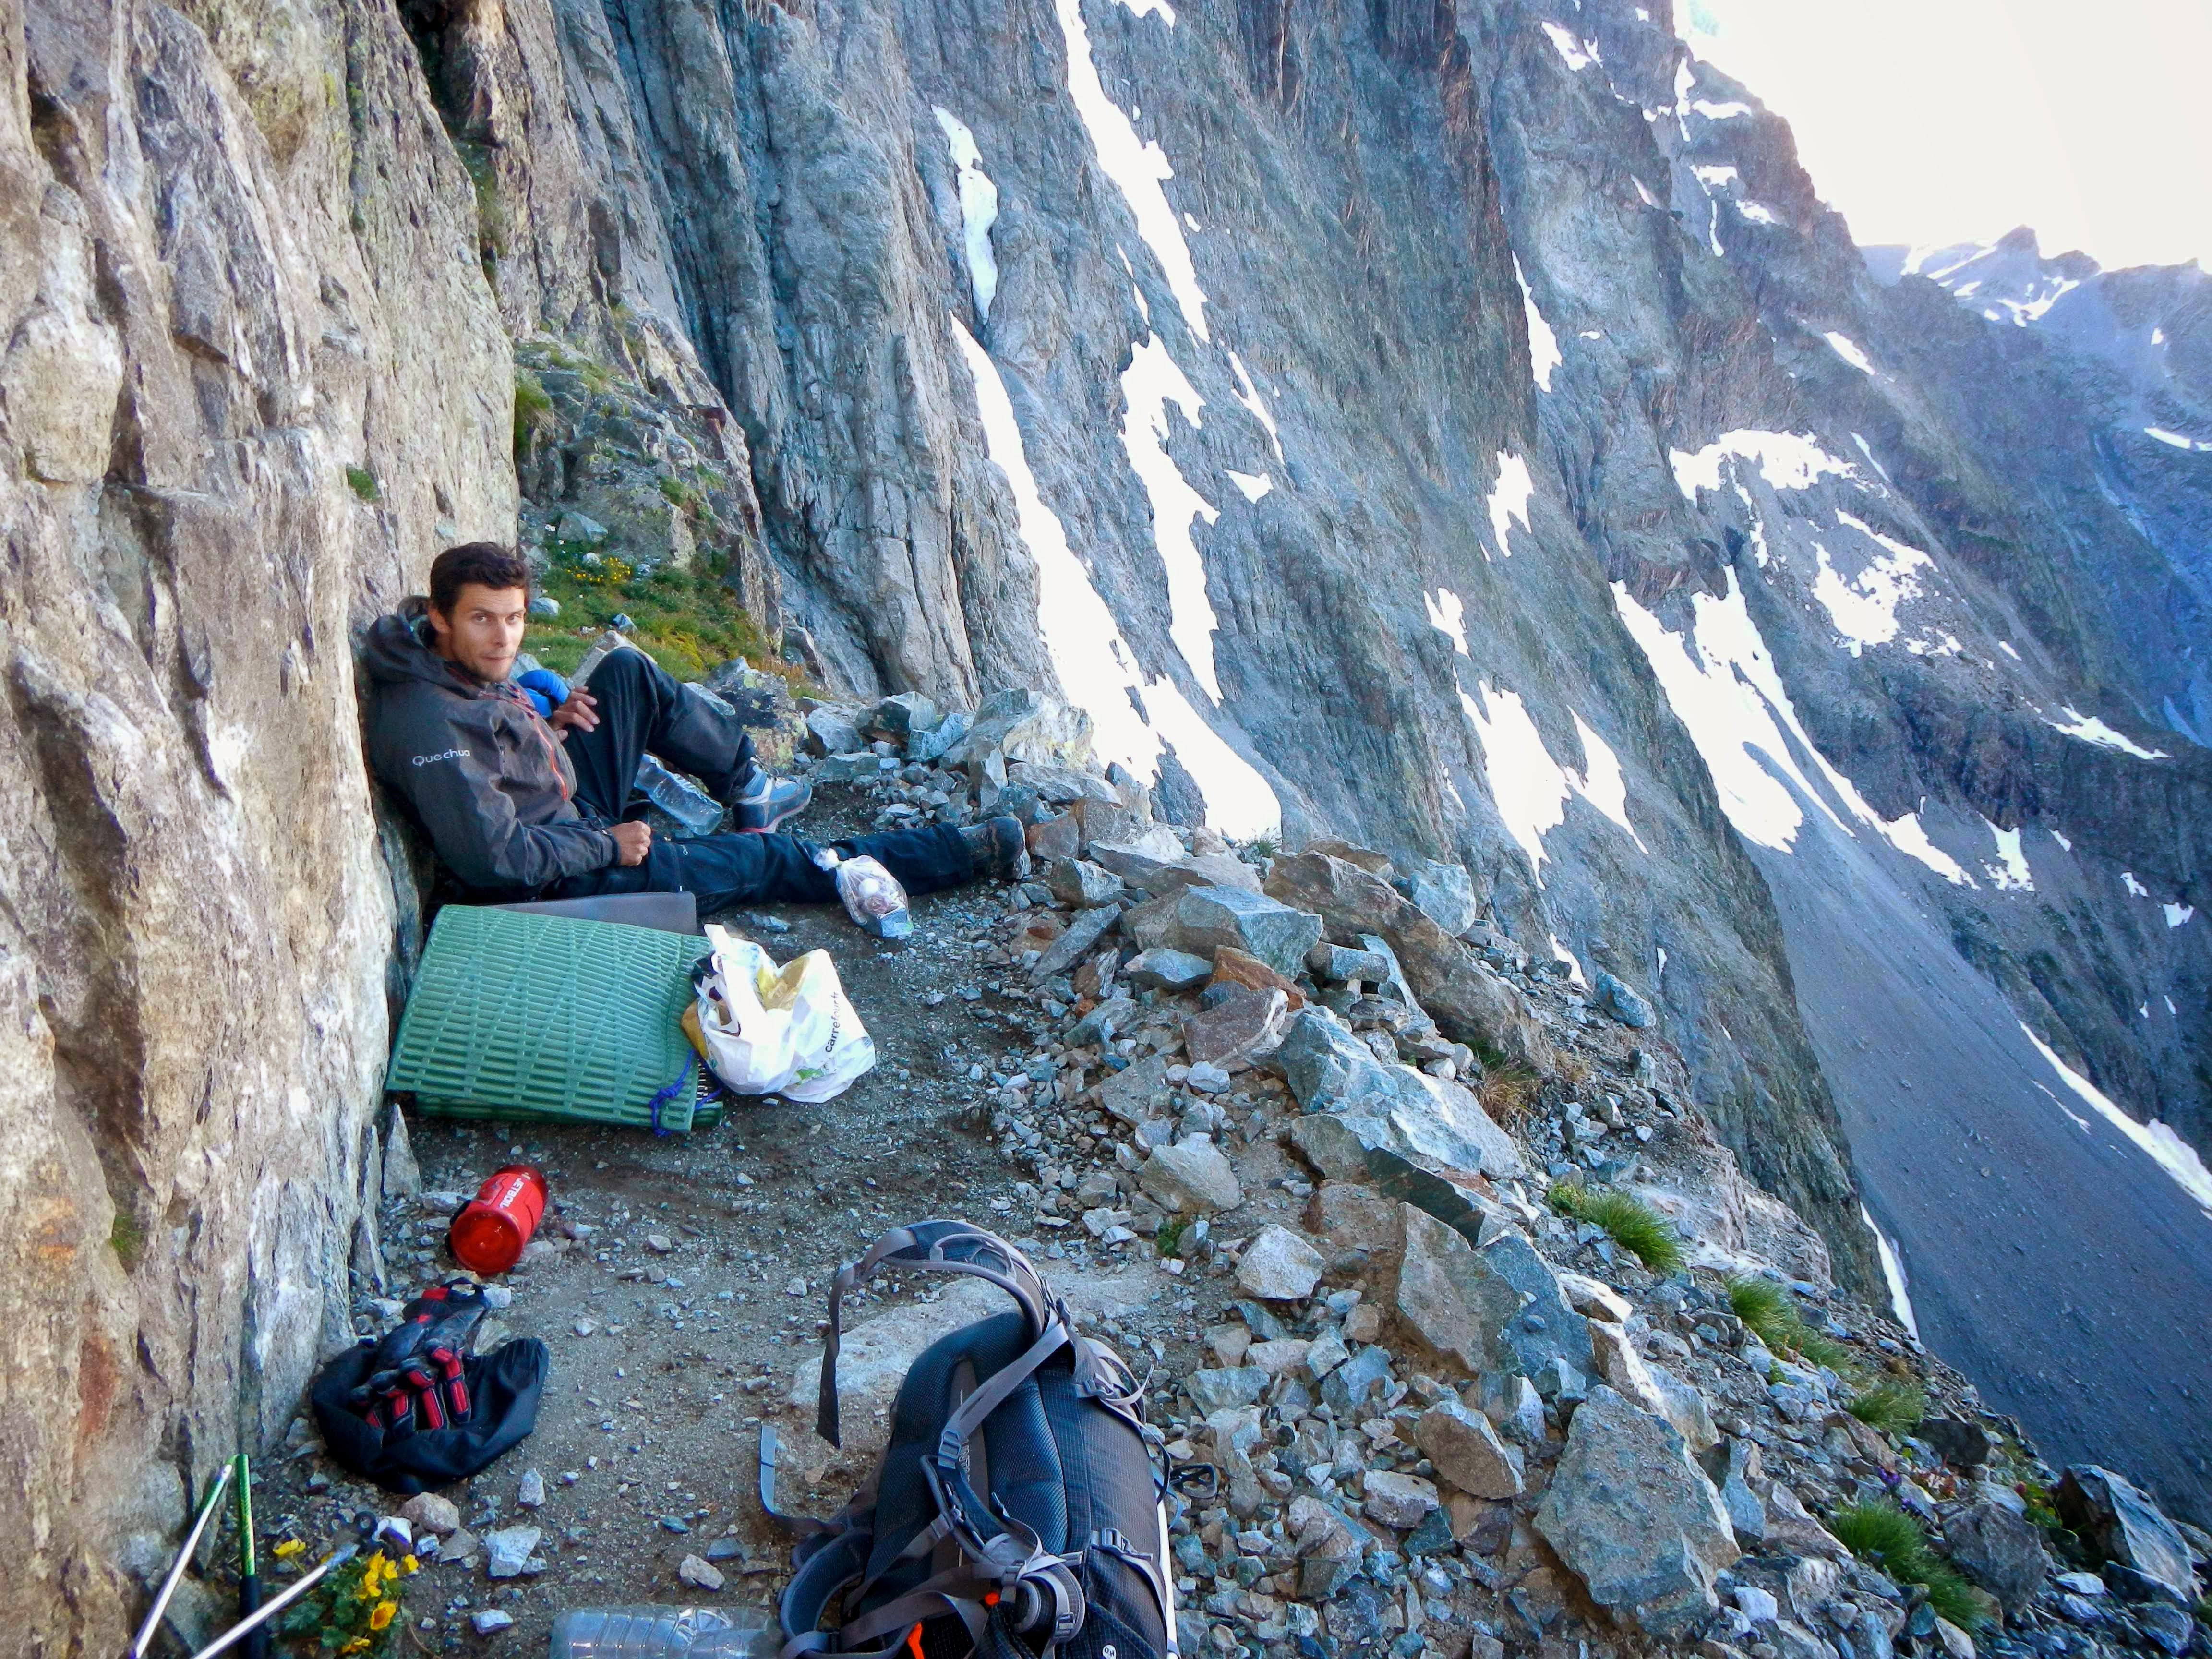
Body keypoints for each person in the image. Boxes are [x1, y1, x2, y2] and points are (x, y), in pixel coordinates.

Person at [363, 542, 1028, 912]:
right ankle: (953, 855)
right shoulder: (432, 727)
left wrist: (539, 720)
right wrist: (610, 847)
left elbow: (491, 733)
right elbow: (495, 861)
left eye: (514, 618)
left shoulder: (447, 664)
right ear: (442, 617)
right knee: (766, 860)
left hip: (564, 811)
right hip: (561, 882)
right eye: (483, 619)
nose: (503, 636)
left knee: (624, 675)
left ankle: (748, 784)